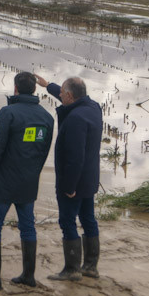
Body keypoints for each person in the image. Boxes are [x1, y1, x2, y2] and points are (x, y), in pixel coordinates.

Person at [0, 71, 54, 290]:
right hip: (29, 182)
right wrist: (32, 173)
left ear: (16, 88)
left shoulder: (8, 113)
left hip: (6, 182)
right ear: (35, 89)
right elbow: (44, 152)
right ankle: (28, 276)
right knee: (28, 227)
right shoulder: (47, 118)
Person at [35, 74, 103, 281]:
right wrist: (48, 86)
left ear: (70, 96)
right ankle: (90, 266)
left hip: (75, 180)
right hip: (90, 178)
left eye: (62, 93)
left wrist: (69, 186)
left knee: (67, 221)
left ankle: (72, 269)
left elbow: (75, 157)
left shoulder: (75, 119)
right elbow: (69, 96)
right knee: (88, 219)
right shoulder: (93, 108)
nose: (61, 96)